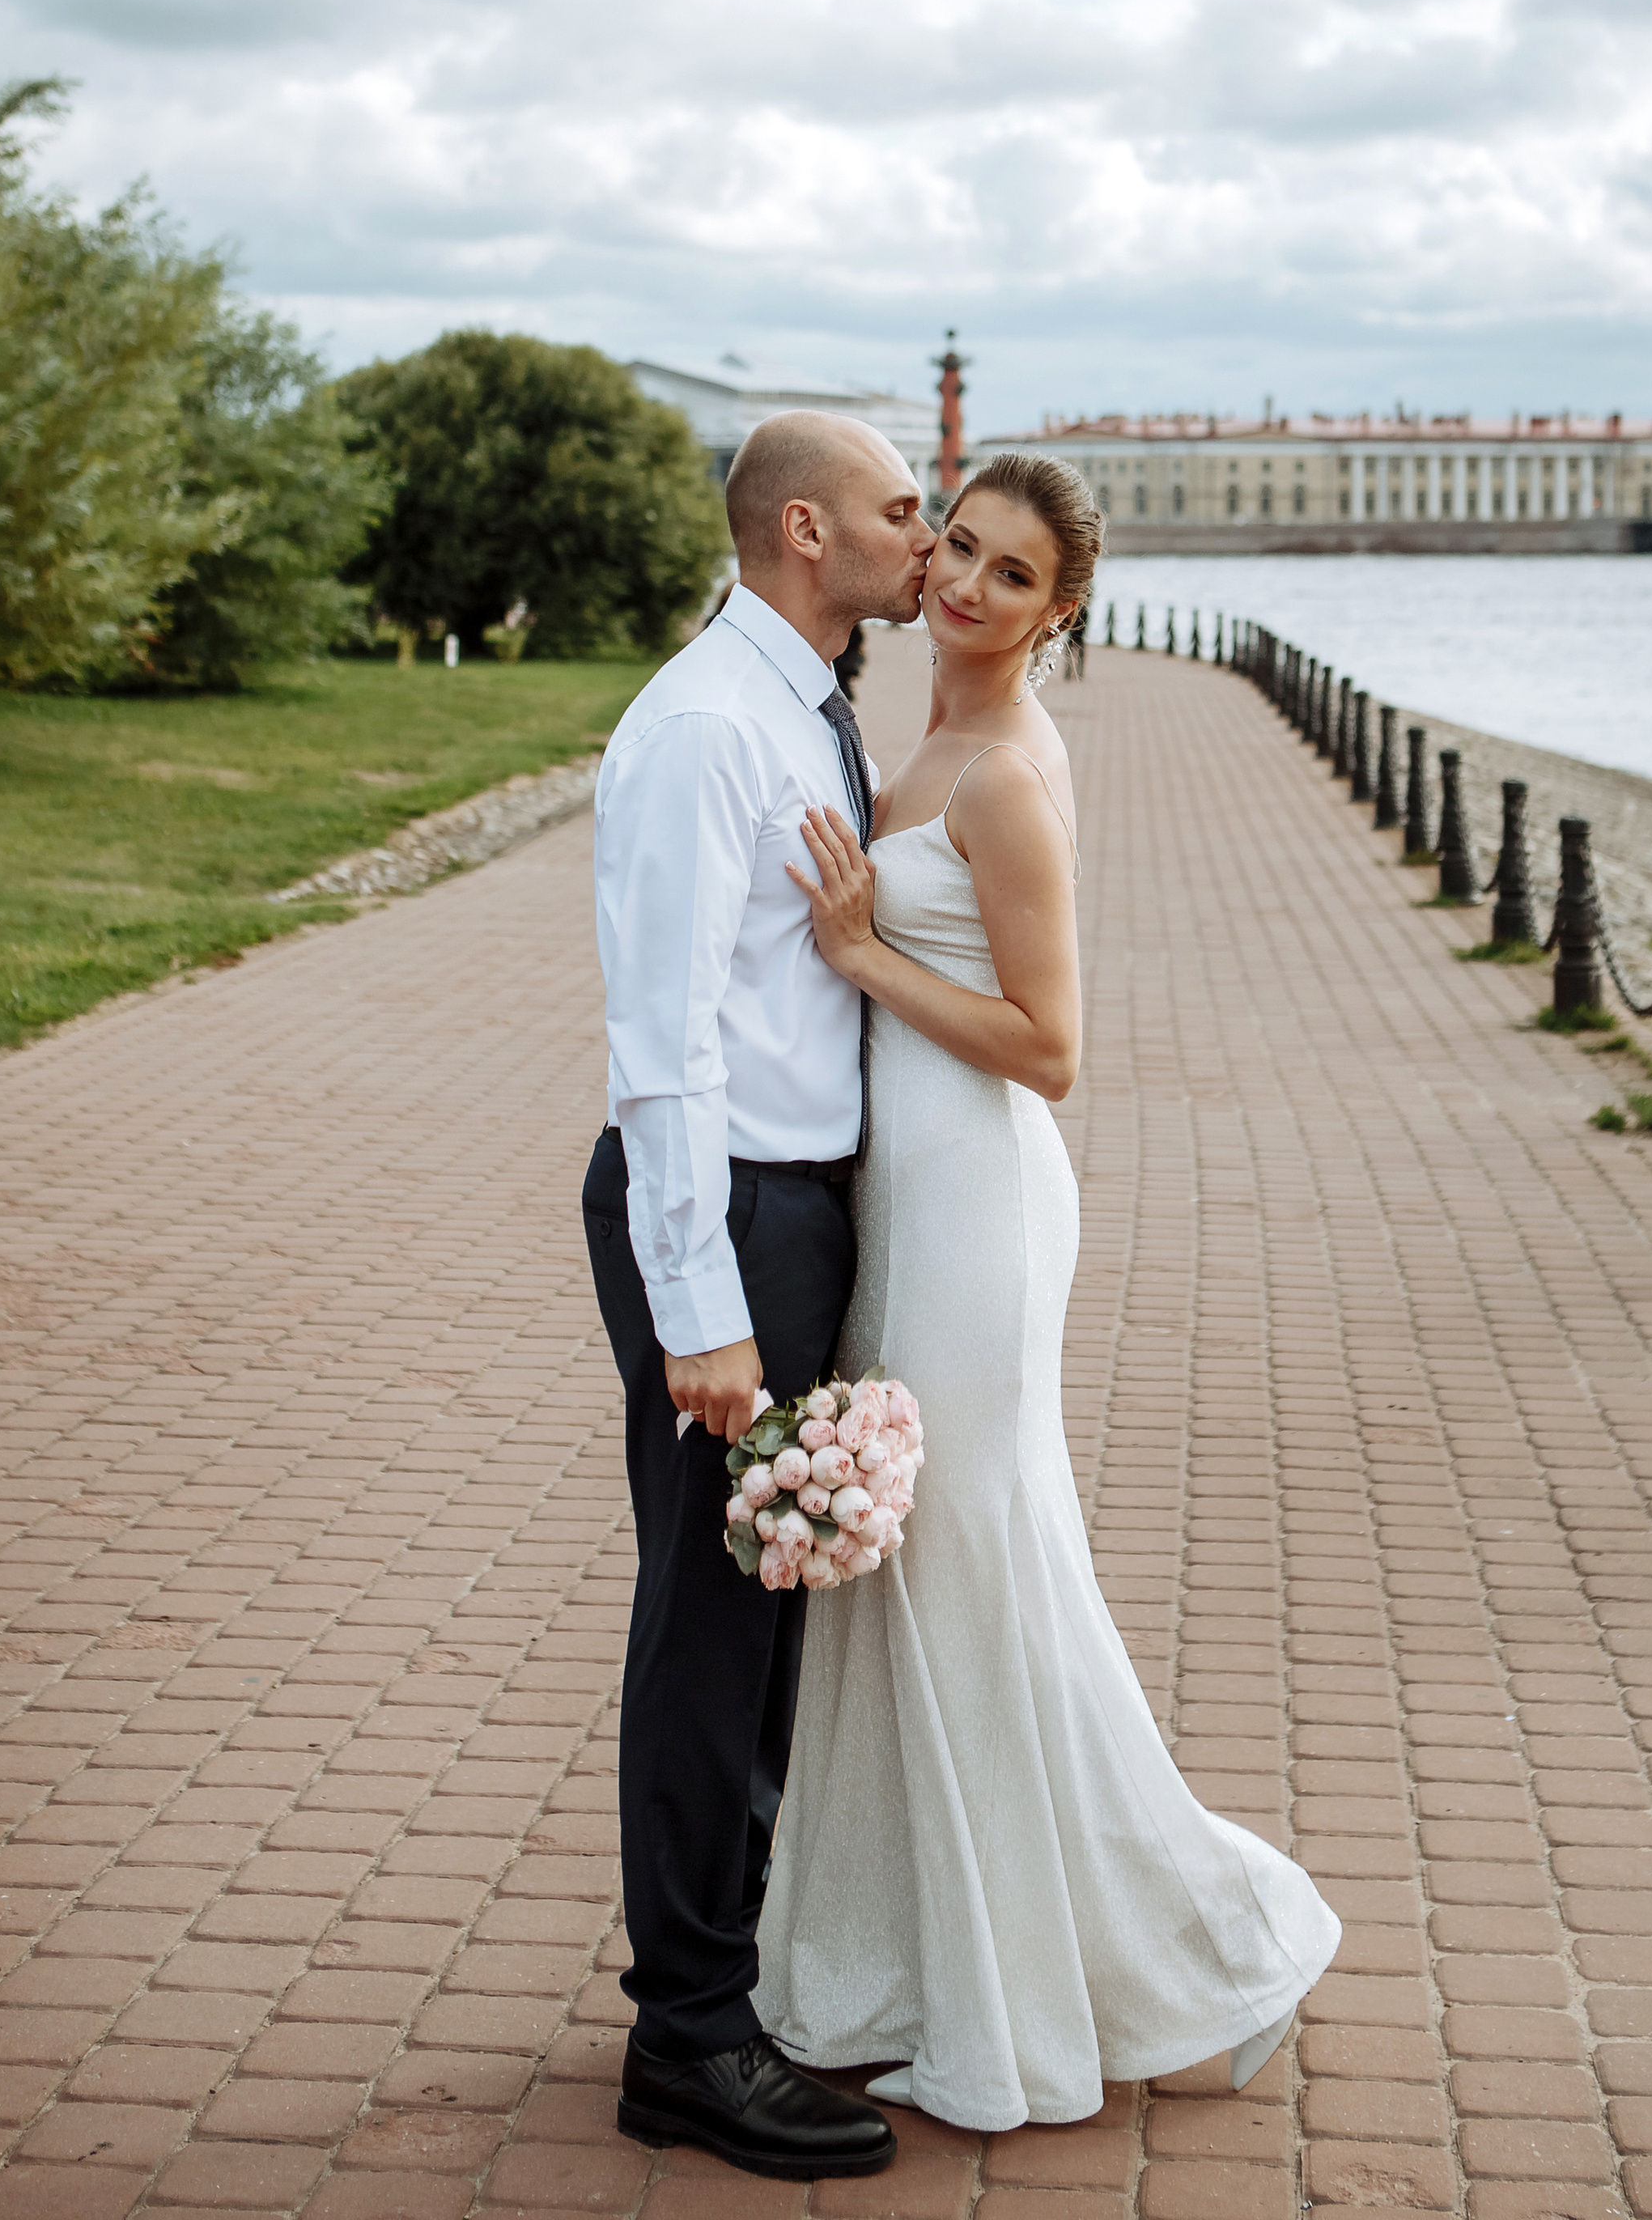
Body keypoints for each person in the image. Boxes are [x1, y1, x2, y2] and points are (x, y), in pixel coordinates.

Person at [758, 451, 1340, 2129]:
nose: (963, 584)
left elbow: (1054, 1050)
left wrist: (865, 960)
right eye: (955, 547)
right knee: (919, 1575)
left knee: (975, 1573)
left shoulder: (1003, 772)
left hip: (978, 1203)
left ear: (1057, 611)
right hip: (905, 1192)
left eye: (1011, 575)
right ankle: (916, 1958)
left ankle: (1183, 1940)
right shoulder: (918, 739)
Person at [582, 411, 935, 2180]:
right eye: (899, 507)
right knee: (712, 1620)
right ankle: (687, 2039)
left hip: (795, 1208)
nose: (923, 530)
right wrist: (696, 1300)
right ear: (807, 530)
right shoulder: (700, 731)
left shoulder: (802, 699)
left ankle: (742, 1965)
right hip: (719, 1215)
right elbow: (660, 1047)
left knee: (773, 1608)